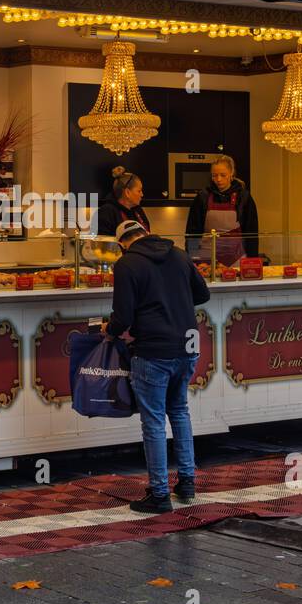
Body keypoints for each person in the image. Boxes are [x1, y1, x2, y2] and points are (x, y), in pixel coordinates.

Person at [107, 219, 210, 514]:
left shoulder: (127, 264)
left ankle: (160, 493)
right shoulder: (178, 254)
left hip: (153, 349)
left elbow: (123, 316)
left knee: (153, 420)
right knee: (179, 410)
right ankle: (187, 482)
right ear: (146, 233)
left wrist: (109, 331)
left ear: (121, 243)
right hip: (187, 346)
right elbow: (203, 294)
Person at [184, 155, 261, 265]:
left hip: (236, 259)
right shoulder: (202, 197)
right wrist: (192, 259)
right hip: (207, 259)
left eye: (222, 175)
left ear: (231, 174)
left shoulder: (243, 197)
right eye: (214, 175)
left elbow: (252, 233)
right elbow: (192, 232)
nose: (218, 179)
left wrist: (252, 261)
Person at [95, 167, 151, 237]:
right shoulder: (107, 212)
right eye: (139, 191)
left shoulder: (138, 210)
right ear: (127, 192)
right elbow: (103, 241)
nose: (142, 194)